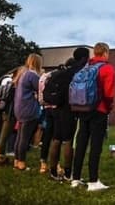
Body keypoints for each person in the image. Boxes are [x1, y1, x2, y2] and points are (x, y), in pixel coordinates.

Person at [70, 43, 115, 192]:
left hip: (82, 108)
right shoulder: (107, 68)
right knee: (95, 146)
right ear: (105, 53)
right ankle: (93, 180)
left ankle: (75, 178)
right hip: (99, 109)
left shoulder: (85, 68)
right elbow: (109, 93)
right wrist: (108, 108)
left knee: (81, 143)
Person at [44, 48, 90, 181]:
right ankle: (68, 172)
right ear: (84, 58)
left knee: (56, 138)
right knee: (68, 140)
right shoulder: (77, 72)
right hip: (70, 109)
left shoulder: (62, 72)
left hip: (57, 107)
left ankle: (53, 170)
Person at [12, 53, 43, 171]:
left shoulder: (23, 74)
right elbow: (40, 89)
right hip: (29, 109)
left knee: (20, 136)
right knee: (25, 137)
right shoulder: (33, 75)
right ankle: (21, 162)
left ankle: (16, 160)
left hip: (19, 109)